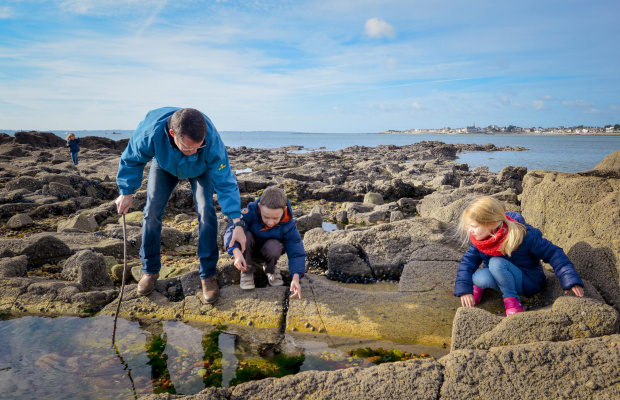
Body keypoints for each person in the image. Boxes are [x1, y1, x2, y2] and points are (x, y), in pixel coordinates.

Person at [115, 107, 246, 304]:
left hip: (201, 169)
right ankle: (149, 271)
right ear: (172, 134)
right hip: (165, 165)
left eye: (198, 147)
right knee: (151, 212)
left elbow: (225, 181)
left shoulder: (211, 141)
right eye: (188, 147)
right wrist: (126, 191)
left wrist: (237, 222)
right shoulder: (151, 132)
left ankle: (208, 275)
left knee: (206, 213)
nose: (192, 152)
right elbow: (132, 158)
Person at [454, 196, 584, 315]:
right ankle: (487, 288)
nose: (469, 231)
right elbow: (468, 262)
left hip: (528, 281)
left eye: (473, 226)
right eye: (467, 226)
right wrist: (465, 290)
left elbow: (553, 252)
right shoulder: (480, 240)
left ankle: (511, 299)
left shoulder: (523, 235)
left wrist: (569, 279)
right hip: (501, 276)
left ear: (492, 224)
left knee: (496, 263)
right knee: (479, 278)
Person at [223, 186, 305, 299]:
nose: (270, 222)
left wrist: (296, 279)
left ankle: (270, 269)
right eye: (266, 217)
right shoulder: (249, 212)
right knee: (245, 234)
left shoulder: (288, 224)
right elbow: (231, 230)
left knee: (275, 245)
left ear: (284, 210)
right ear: (259, 207)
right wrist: (236, 253)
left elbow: (296, 252)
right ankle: (247, 270)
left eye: (276, 218)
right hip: (247, 251)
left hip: (270, 253)